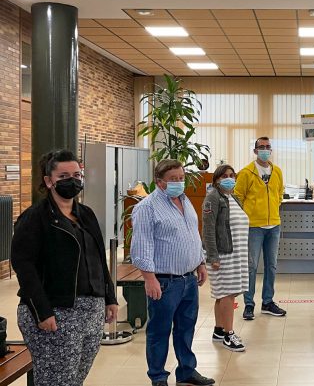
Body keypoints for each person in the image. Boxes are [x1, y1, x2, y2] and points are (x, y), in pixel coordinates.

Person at [10, 150, 118, 386]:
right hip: (56, 310)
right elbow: (24, 267)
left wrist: (110, 297)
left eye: (77, 174)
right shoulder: (34, 218)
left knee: (74, 378)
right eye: (64, 175)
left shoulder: (86, 214)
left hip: (91, 310)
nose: (73, 180)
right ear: (49, 181)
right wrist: (43, 312)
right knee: (55, 380)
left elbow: (100, 258)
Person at [131, 159, 213, 386]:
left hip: (188, 279)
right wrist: (149, 279)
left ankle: (187, 371)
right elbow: (142, 246)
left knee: (186, 329)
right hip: (164, 282)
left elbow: (193, 235)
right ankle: (158, 377)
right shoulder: (147, 208)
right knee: (159, 332)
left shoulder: (185, 201)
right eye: (173, 179)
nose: (179, 182)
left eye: (181, 178)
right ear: (159, 182)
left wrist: (200, 263)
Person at [235, 136, 287, 320]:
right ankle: (249, 304)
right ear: (255, 150)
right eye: (261, 147)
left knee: (271, 265)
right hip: (253, 226)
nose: (265, 149)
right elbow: (237, 197)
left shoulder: (277, 171)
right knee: (251, 266)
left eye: (268, 147)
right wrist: (247, 217)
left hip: (274, 225)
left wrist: (272, 210)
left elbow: (279, 194)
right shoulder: (246, 173)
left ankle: (268, 302)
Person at [202, 164, 249, 352]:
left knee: (224, 294)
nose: (229, 179)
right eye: (224, 176)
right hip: (223, 254)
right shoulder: (213, 197)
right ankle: (229, 334)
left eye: (232, 175)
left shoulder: (232, 197)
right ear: (216, 180)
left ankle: (219, 330)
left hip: (236, 254)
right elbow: (208, 229)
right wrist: (213, 256)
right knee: (227, 294)